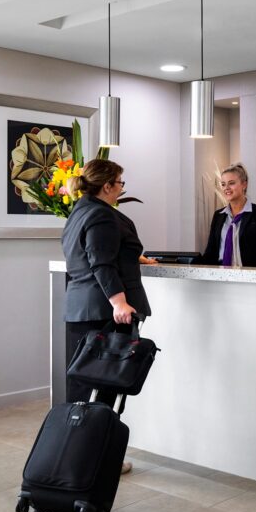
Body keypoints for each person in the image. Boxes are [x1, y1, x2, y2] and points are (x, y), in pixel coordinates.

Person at [60, 159, 152, 408]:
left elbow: (93, 251)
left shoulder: (80, 211)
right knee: (101, 390)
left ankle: (80, 431)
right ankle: (95, 432)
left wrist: (133, 256)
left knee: (83, 386)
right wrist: (119, 302)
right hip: (104, 311)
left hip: (83, 309)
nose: (122, 188)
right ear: (107, 186)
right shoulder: (101, 214)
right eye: (120, 182)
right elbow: (101, 262)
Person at [200, 162, 256, 268]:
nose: (226, 188)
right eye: (223, 184)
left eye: (231, 183)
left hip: (247, 273)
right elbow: (210, 252)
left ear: (244, 184)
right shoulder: (218, 215)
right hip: (219, 272)